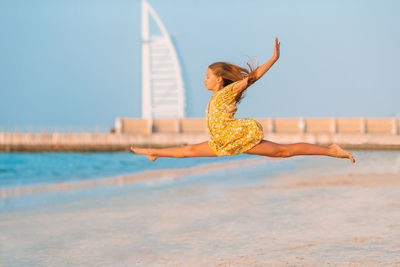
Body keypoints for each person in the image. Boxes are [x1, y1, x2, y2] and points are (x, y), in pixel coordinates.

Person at [131, 37, 355, 163]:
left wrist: (273, 59)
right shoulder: (215, 97)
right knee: (188, 150)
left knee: (283, 151)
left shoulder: (227, 93)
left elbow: (253, 77)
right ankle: (155, 152)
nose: (204, 80)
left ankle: (331, 150)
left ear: (219, 80)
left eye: (207, 76)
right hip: (223, 143)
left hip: (237, 137)